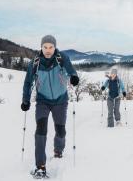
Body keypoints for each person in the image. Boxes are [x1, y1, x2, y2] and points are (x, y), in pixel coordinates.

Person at [21, 35, 79, 179]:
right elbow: (28, 82)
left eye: (50, 47)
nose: (48, 50)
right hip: (43, 101)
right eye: (45, 47)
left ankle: (58, 151)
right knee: (40, 130)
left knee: (60, 130)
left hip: (61, 100)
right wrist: (26, 100)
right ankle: (40, 166)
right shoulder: (35, 63)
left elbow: (72, 71)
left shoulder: (62, 58)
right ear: (41, 47)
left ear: (55, 47)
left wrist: (73, 77)